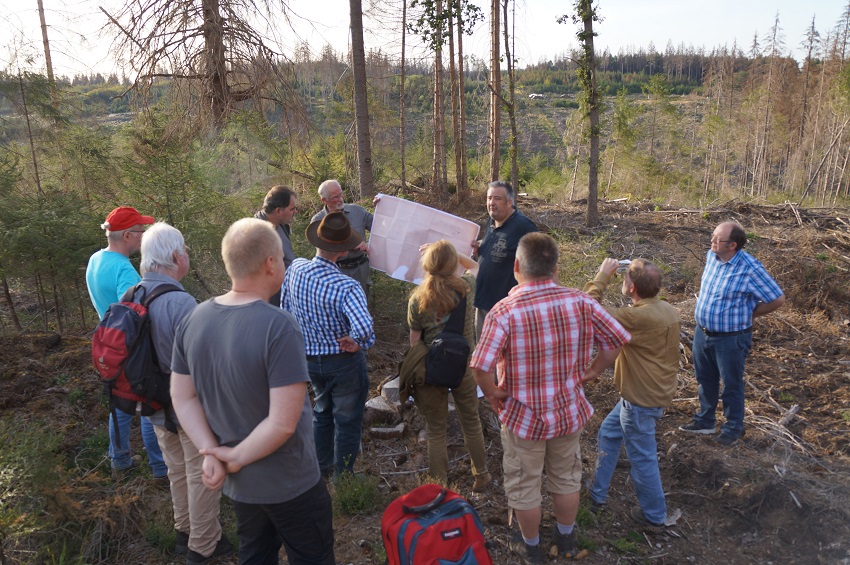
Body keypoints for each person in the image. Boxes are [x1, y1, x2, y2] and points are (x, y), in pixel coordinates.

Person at [171, 218, 335, 565]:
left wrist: (211, 451)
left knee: (255, 556)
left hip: (240, 485)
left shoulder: (194, 319)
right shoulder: (279, 325)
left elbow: (182, 396)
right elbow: (283, 423)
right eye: (283, 259)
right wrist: (235, 456)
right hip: (291, 482)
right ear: (270, 263)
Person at [470, 233, 630, 565]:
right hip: (567, 411)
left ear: (516, 266)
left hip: (523, 417)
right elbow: (615, 340)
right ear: (555, 268)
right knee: (566, 478)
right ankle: (566, 540)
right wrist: (594, 370)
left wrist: (492, 394)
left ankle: (530, 548)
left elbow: (480, 366)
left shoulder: (504, 311)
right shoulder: (581, 302)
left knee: (524, 484)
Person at [135, 223, 233, 564]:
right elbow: (203, 361)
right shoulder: (181, 301)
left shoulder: (133, 294)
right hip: (185, 403)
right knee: (202, 473)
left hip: (151, 400)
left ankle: (184, 530)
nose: (187, 255)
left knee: (176, 467)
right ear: (176, 256)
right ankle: (203, 547)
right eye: (185, 250)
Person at [582, 258, 681, 528]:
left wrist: (602, 276)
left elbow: (587, 308)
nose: (623, 283)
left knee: (642, 458)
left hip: (639, 401)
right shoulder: (668, 310)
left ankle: (655, 515)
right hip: (646, 394)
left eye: (625, 280)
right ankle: (596, 493)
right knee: (609, 433)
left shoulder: (637, 317)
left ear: (632, 288)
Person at [282, 212, 375, 477]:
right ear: (344, 249)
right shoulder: (347, 286)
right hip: (343, 363)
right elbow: (365, 327)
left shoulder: (296, 268)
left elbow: (285, 310)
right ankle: (343, 476)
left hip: (310, 360)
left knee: (321, 413)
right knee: (346, 420)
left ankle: (320, 468)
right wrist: (358, 342)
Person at [679, 221, 785, 446]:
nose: (712, 241)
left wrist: (751, 315)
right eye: (713, 236)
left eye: (718, 239)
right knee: (705, 379)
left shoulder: (750, 268)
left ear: (733, 245)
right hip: (703, 333)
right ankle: (705, 421)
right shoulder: (712, 256)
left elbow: (777, 298)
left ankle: (733, 427)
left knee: (731, 385)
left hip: (731, 339)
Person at [85, 206, 167, 482]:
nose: (144, 236)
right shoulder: (124, 270)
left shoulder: (96, 259)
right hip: (132, 349)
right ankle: (160, 469)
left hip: (108, 344)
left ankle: (119, 461)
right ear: (129, 236)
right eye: (141, 231)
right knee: (147, 405)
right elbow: (136, 315)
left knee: (119, 403)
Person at [407, 240, 492, 491]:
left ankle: (439, 485)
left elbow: (414, 342)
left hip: (432, 370)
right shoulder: (465, 288)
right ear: (452, 264)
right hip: (464, 368)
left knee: (435, 430)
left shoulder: (417, 299)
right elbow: (475, 265)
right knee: (470, 421)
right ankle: (482, 475)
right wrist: (456, 254)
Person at [472, 180, 537, 337]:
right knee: (485, 355)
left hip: (508, 311)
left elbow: (539, 266)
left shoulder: (524, 227)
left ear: (509, 203)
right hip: (483, 303)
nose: (491, 203)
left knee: (505, 359)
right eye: (489, 198)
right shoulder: (491, 221)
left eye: (497, 198)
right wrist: (479, 250)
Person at [311, 179, 373, 298]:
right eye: (335, 197)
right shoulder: (317, 221)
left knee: (361, 306)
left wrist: (381, 206)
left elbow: (381, 229)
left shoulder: (358, 211)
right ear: (324, 200)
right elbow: (322, 252)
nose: (340, 199)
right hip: (334, 272)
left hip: (361, 269)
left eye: (341, 194)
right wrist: (347, 244)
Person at [255, 185, 298, 306]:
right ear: (278, 211)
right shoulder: (257, 234)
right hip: (270, 302)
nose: (294, 212)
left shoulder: (281, 224)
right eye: (292, 209)